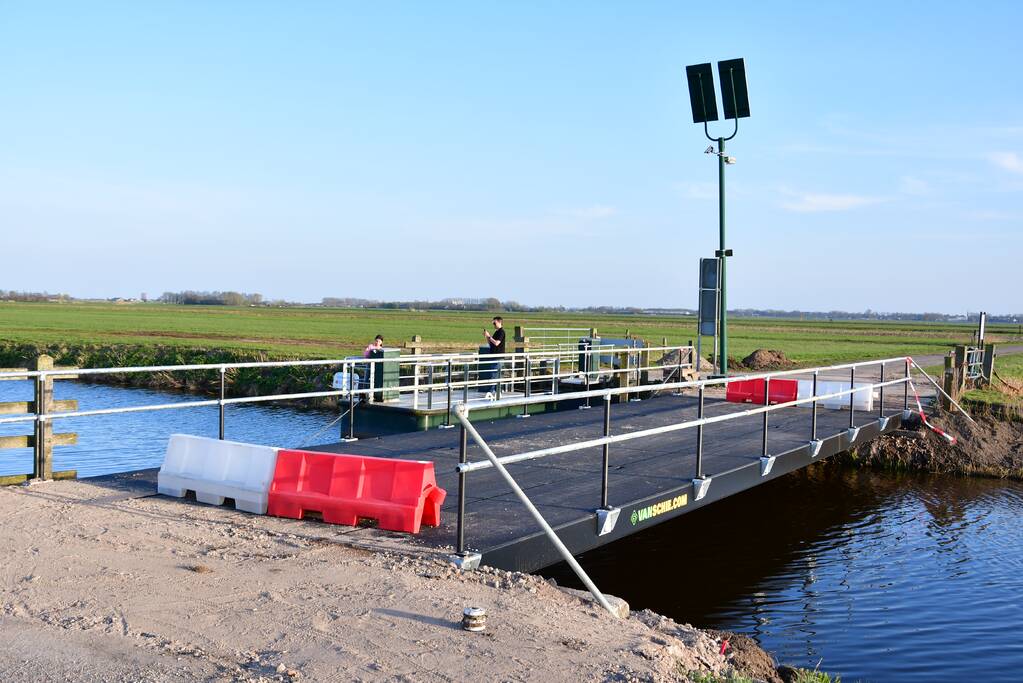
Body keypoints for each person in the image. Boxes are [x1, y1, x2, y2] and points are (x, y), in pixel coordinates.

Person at [481, 317, 506, 393]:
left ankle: (493, 392)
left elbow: (496, 343)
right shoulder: (497, 332)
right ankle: (496, 391)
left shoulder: (501, 332)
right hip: (494, 356)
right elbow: (491, 343)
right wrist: (487, 337)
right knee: (494, 375)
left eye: (494, 323)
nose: (493, 325)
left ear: (499, 322)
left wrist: (489, 336)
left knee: (494, 375)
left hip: (497, 357)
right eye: (493, 323)